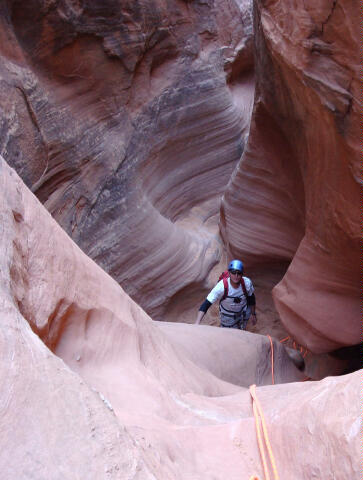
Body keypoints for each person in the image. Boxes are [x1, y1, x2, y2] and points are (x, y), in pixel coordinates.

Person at [195, 259, 257, 330]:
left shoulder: (246, 283)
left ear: (242, 274)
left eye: (239, 273)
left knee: (242, 329)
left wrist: (253, 314)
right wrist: (197, 323)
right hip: (228, 316)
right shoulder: (221, 286)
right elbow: (206, 304)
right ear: (229, 273)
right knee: (229, 333)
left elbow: (251, 298)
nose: (236, 276)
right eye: (233, 272)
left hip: (243, 311)